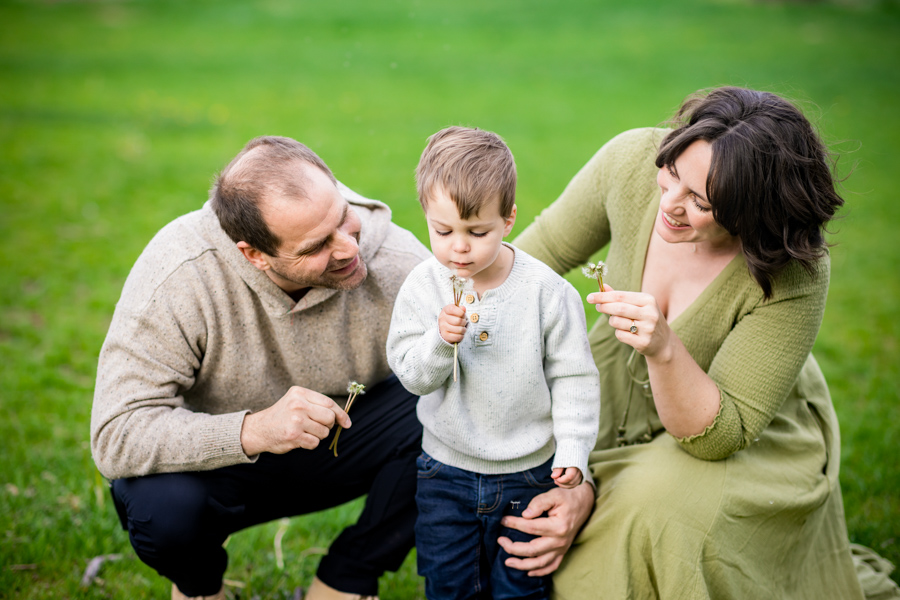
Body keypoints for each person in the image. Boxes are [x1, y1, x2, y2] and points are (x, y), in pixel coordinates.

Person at [500, 86, 877, 598]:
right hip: (613, 395)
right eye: (672, 175)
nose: (670, 205)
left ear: (753, 209)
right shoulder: (630, 161)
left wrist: (664, 349)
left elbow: (720, 434)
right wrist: (578, 475)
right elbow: (527, 263)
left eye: (701, 201)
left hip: (737, 430)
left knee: (656, 512)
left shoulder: (795, 271)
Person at [90, 136, 431, 600]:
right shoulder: (180, 273)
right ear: (253, 254)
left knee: (448, 409)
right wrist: (254, 430)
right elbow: (117, 433)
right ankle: (200, 588)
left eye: (342, 217)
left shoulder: (399, 262)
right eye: (317, 245)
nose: (349, 247)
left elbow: (491, 375)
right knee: (161, 510)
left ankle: (345, 581)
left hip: (342, 445)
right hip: (219, 467)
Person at [386, 126, 600, 600]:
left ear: (508, 220)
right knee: (450, 587)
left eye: (476, 232)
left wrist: (573, 452)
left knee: (520, 588)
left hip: (529, 474)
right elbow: (413, 376)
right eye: (442, 231)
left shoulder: (546, 293)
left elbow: (574, 378)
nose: (458, 247)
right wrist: (440, 341)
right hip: (445, 473)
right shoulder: (424, 287)